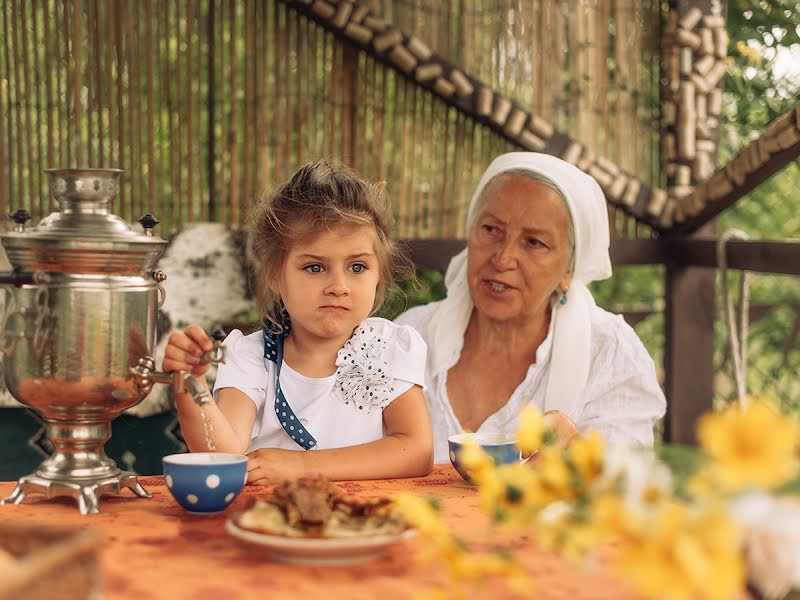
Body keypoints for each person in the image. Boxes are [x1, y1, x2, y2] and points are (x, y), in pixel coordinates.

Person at [162, 161, 433, 483]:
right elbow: (224, 455)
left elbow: (416, 450)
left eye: (357, 267)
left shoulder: (389, 348)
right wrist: (190, 386)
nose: (339, 286)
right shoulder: (252, 357)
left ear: (380, 274)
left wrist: (302, 467)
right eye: (315, 268)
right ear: (276, 275)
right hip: (271, 522)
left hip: (364, 522)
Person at [395, 152, 666, 464]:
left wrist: (578, 457)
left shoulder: (610, 353)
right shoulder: (411, 338)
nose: (503, 258)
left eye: (534, 242)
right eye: (490, 230)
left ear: (569, 269)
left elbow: (625, 487)